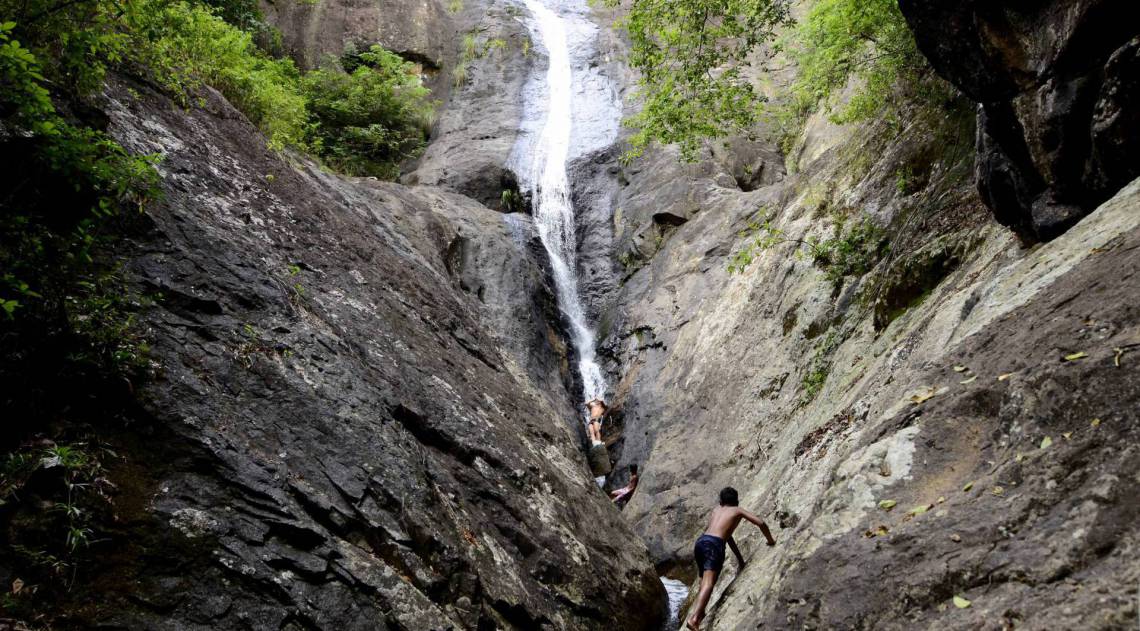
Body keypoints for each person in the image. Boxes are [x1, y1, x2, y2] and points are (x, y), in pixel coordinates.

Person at [686, 487, 776, 630]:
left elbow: (727, 537)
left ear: (721, 501)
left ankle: (701, 611)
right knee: (709, 582)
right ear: (736, 500)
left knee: (705, 580)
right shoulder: (737, 510)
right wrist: (770, 540)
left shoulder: (716, 510)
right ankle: (695, 619)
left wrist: (740, 559)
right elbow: (760, 523)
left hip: (701, 542)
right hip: (714, 545)